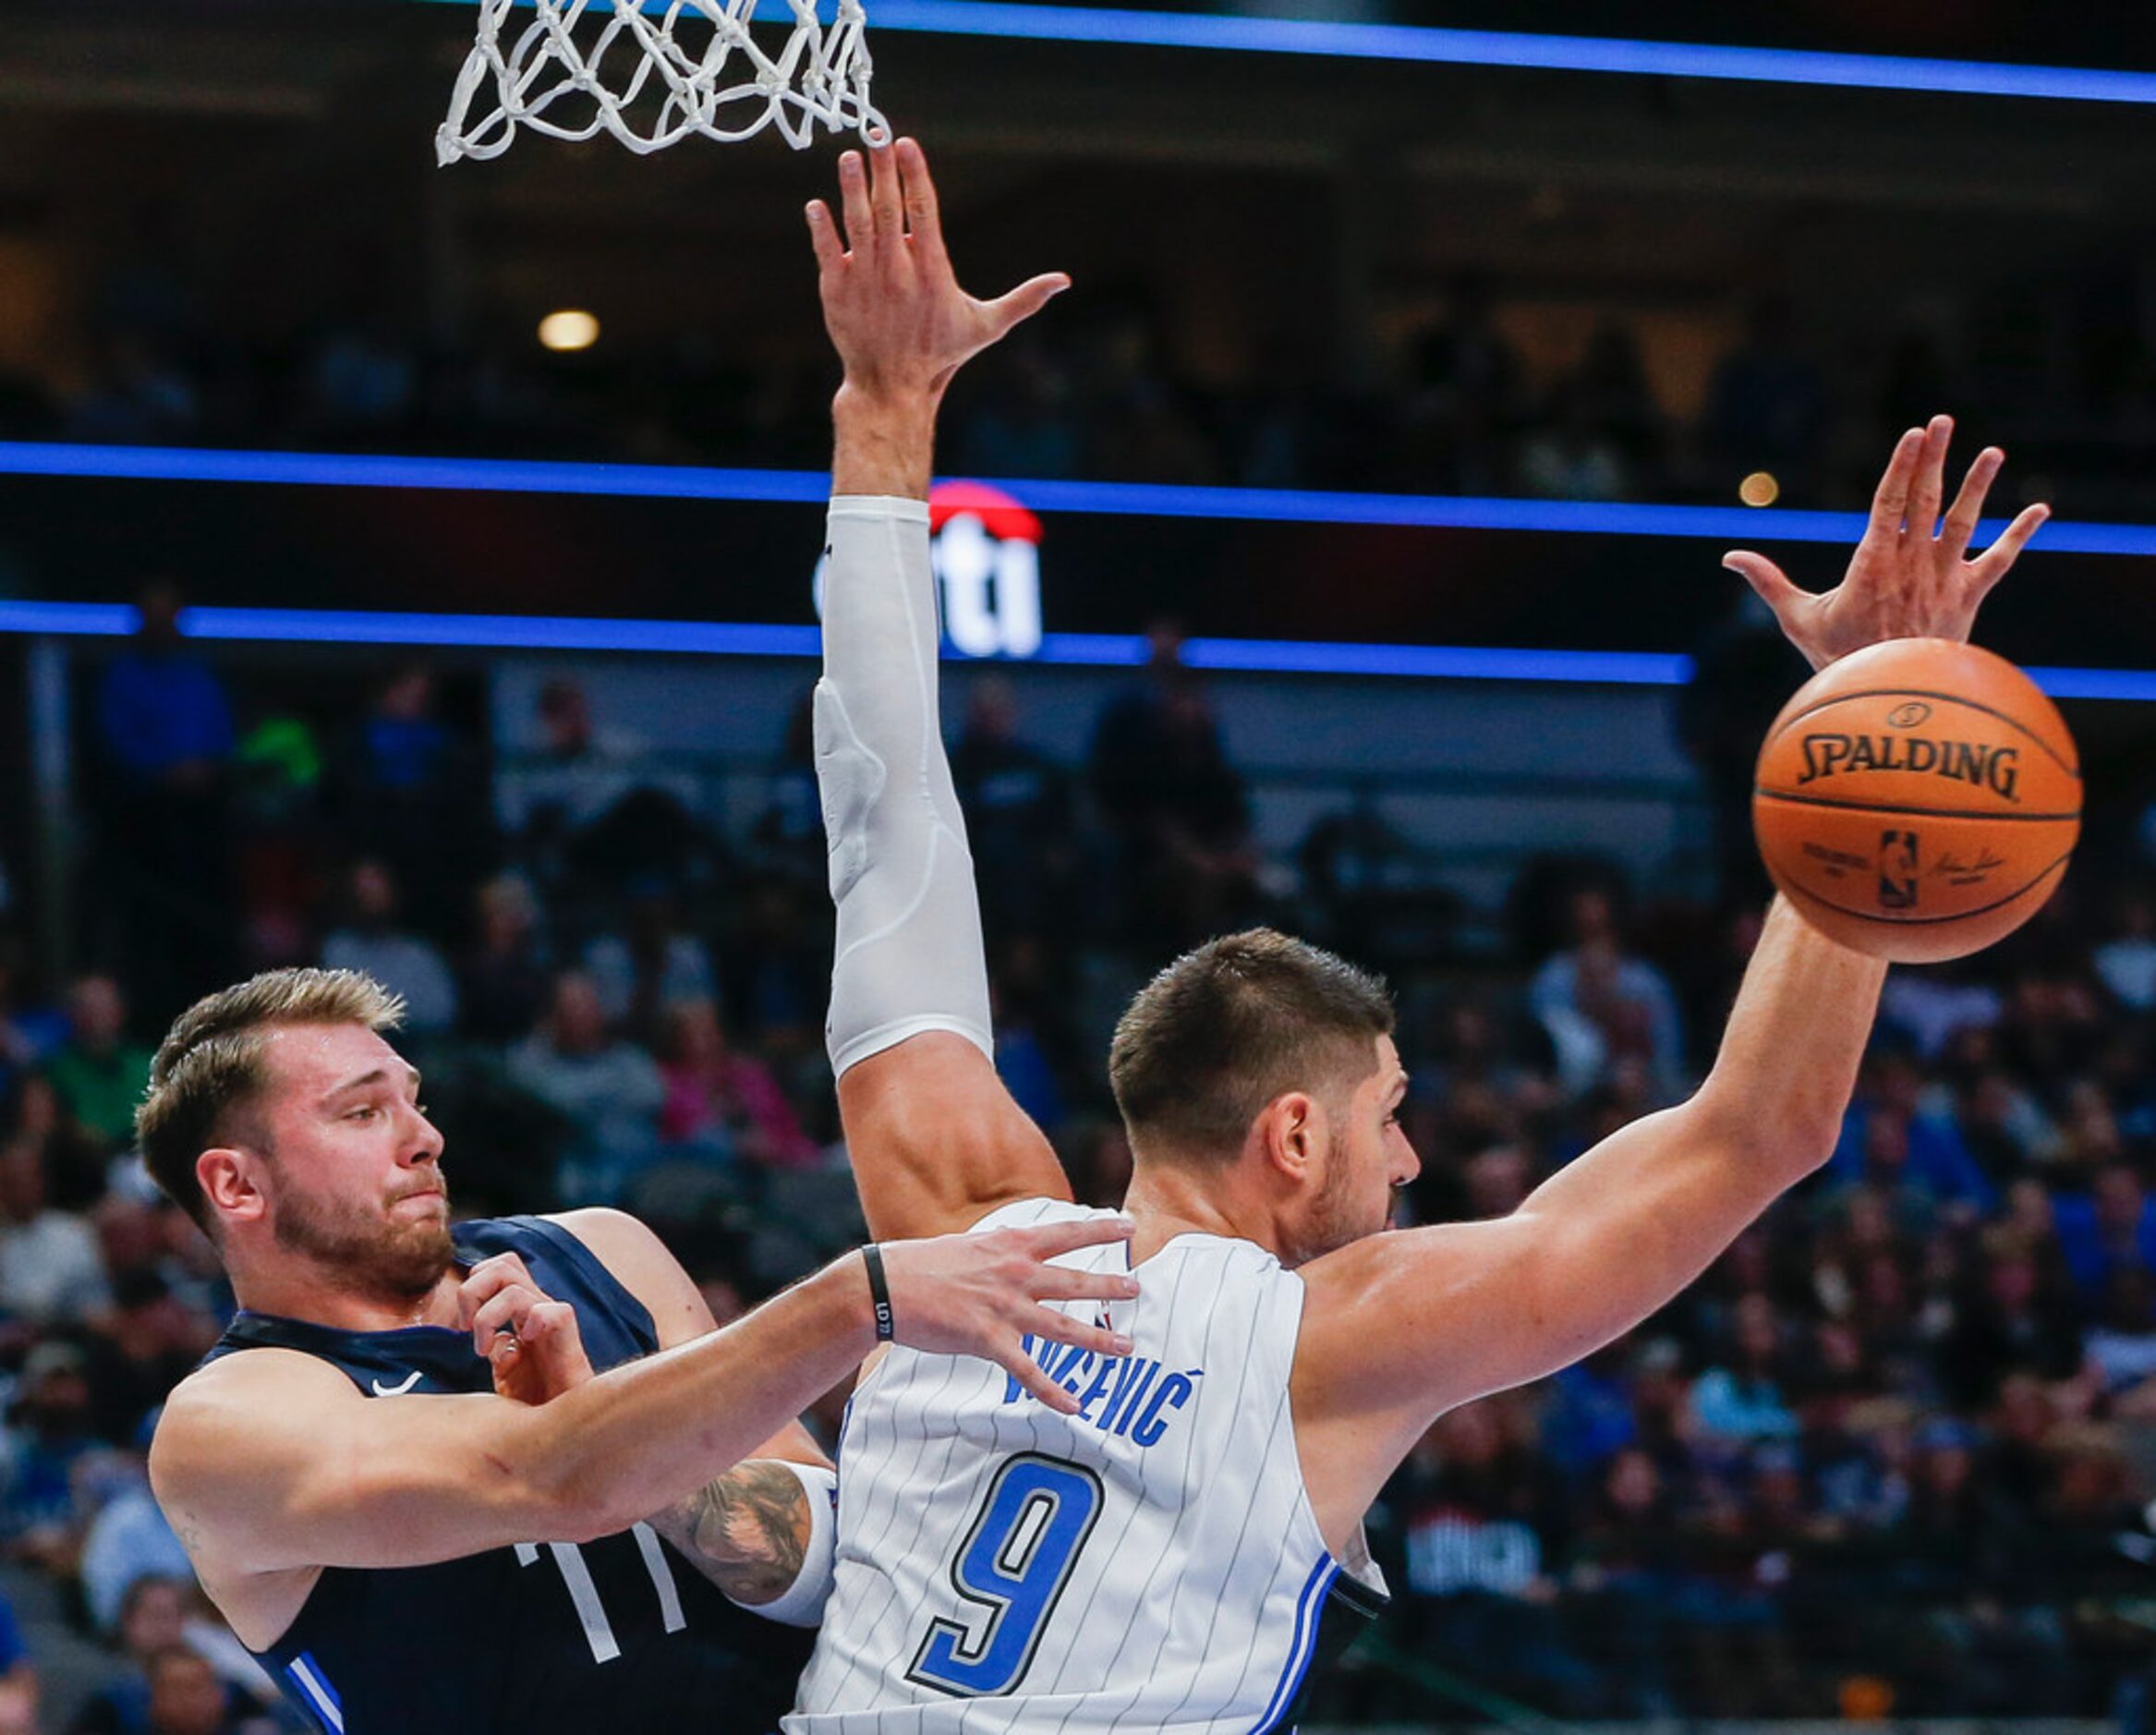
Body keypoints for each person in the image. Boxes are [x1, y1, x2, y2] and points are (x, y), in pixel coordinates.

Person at [760, 140, 2049, 1729]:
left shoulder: (950, 1226)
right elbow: (1759, 1131)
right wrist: (1859, 748)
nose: (1410, 1163)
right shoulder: (1324, 1340)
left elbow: (881, 814)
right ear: (1289, 1133)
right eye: (1391, 1118)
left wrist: (877, 421)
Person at [140, 965, 1139, 1732]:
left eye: (415, 1101)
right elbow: (549, 1478)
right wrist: (856, 1298)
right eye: (363, 1113)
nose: (423, 1137)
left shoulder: (596, 1249)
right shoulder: (231, 1424)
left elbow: (824, 1557)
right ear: (236, 1186)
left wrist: (659, 1473)